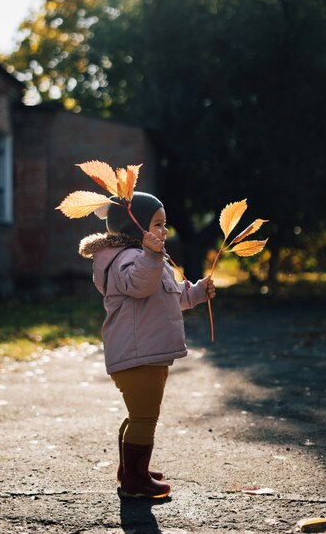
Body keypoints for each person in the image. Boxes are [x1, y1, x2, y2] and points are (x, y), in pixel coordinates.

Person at [79, 191, 216, 499]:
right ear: (136, 227)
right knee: (144, 417)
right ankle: (135, 480)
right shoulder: (126, 259)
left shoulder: (149, 259)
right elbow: (140, 286)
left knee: (139, 414)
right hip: (137, 355)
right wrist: (151, 255)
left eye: (164, 224)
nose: (164, 231)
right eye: (157, 224)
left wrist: (196, 292)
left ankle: (131, 469)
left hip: (147, 353)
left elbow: (171, 297)